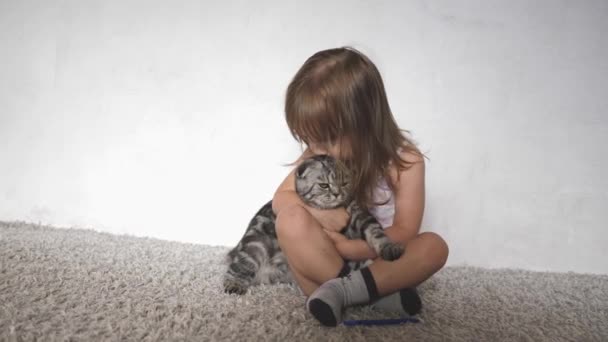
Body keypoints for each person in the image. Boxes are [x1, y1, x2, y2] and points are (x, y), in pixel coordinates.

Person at [272, 46, 449, 327]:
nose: (316, 149)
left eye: (326, 138)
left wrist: (349, 247)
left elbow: (403, 233)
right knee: (289, 219)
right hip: (326, 259)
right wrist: (318, 214)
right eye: (310, 140)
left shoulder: (405, 162)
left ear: (366, 122)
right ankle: (373, 295)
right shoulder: (319, 155)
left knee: (434, 247)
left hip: (377, 260)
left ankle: (342, 291)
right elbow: (280, 198)